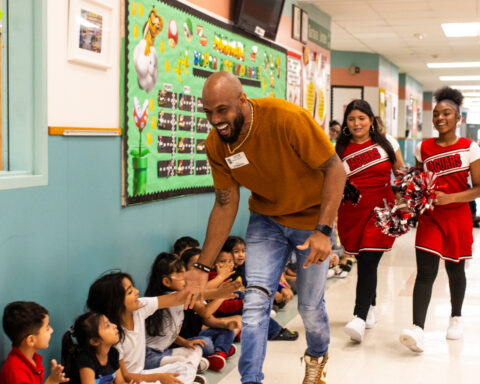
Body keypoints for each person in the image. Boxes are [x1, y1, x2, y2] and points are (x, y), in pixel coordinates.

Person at [185, 71, 346, 384]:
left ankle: (316, 357)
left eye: (222, 110)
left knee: (310, 306)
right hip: (267, 221)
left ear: (242, 101)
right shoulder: (217, 145)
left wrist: (324, 231)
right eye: (208, 112)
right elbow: (224, 203)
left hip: (312, 221)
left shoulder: (286, 119)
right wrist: (203, 266)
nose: (215, 120)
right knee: (256, 301)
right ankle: (251, 380)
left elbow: (335, 169)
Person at [399, 87, 480, 353]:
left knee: (455, 270)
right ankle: (417, 329)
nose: (440, 118)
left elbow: (479, 187)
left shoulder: (470, 148)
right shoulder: (423, 148)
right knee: (425, 272)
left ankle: (456, 316)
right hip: (430, 218)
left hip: (457, 217)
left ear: (458, 118)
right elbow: (419, 182)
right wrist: (407, 200)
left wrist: (453, 198)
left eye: (446, 113)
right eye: (436, 114)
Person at [335, 99, 405, 343]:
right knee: (365, 260)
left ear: (371, 120)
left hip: (381, 212)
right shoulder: (340, 148)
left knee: (367, 257)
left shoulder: (387, 143)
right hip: (352, 213)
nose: (356, 123)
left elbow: (402, 176)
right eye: (352, 119)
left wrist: (406, 203)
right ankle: (371, 307)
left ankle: (359, 316)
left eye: (361, 118)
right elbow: (334, 182)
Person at [86, 271, 193, 383]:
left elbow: (177, 298)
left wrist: (211, 292)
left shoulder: (139, 307)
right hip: (133, 380)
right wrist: (159, 377)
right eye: (130, 292)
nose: (137, 292)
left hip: (143, 374)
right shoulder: (114, 334)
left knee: (184, 367)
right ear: (115, 303)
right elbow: (125, 376)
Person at [144, 253, 208, 383]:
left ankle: (188, 370)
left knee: (196, 349)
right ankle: (189, 372)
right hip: (148, 357)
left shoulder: (179, 298)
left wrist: (185, 343)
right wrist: (220, 288)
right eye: (180, 274)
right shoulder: (170, 299)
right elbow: (201, 301)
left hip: (164, 352)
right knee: (182, 362)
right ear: (166, 281)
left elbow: (169, 334)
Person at [0, 301, 69, 384]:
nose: (51, 330)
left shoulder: (33, 359)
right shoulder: (16, 373)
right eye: (47, 328)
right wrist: (52, 381)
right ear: (31, 340)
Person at [61, 312, 130, 384]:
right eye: (107, 326)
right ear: (95, 341)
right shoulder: (85, 361)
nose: (115, 325)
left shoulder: (113, 353)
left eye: (110, 322)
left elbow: (120, 381)